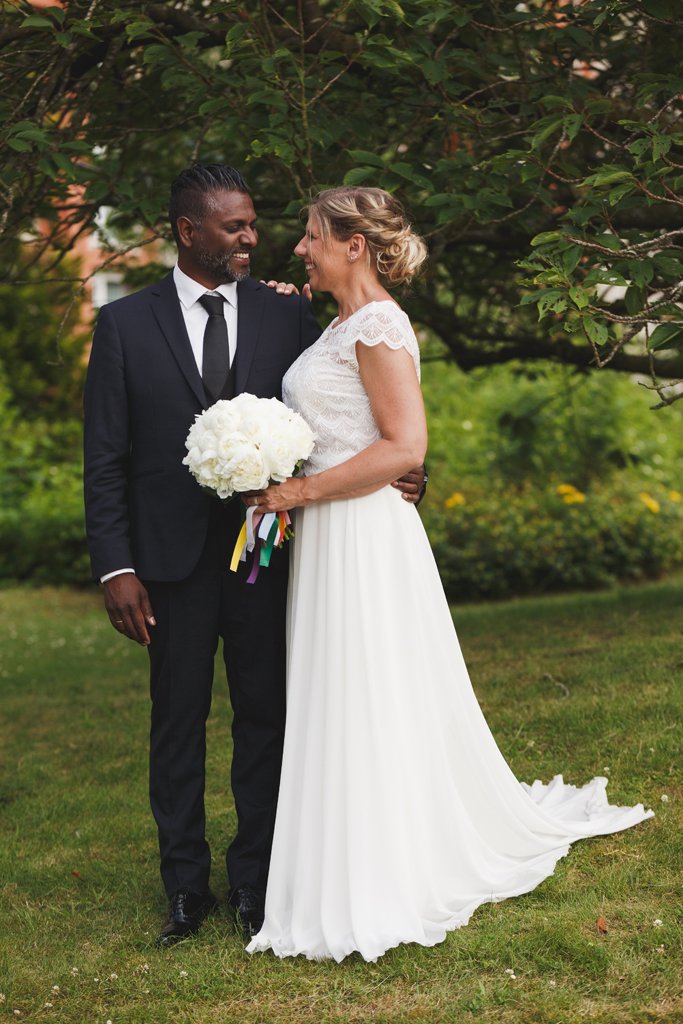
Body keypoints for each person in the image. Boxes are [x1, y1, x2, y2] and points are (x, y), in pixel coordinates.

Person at [243, 186, 654, 962]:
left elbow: (404, 449)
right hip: (333, 532)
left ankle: (386, 863)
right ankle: (345, 847)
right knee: (342, 689)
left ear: (353, 245)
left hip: (361, 533)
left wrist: (296, 489)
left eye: (310, 237)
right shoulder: (336, 322)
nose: (299, 249)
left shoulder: (379, 325)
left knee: (368, 688)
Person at [83, 164, 425, 948]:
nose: (251, 237)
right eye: (234, 226)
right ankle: (182, 886)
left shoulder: (287, 316)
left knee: (267, 716)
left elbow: (354, 404)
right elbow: (104, 459)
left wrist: (405, 463)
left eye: (253, 223)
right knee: (175, 721)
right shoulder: (125, 325)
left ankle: (257, 879)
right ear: (186, 231)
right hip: (165, 563)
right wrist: (116, 566)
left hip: (271, 557)